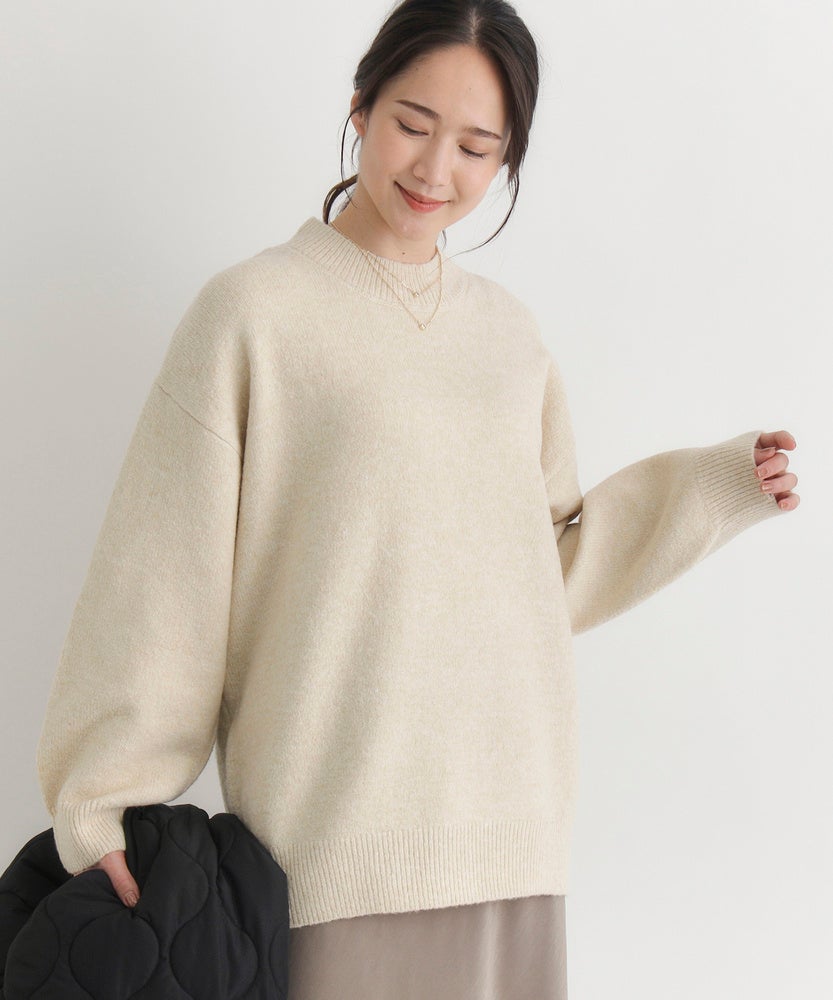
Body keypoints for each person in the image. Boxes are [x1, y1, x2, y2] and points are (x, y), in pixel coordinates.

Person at [35, 0, 799, 996]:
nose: (436, 169)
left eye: (477, 148)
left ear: (507, 159)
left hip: (511, 840)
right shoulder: (253, 316)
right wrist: (99, 797)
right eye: (412, 123)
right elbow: (162, 576)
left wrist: (713, 487)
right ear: (360, 105)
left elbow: (544, 572)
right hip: (330, 850)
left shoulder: (509, 339)